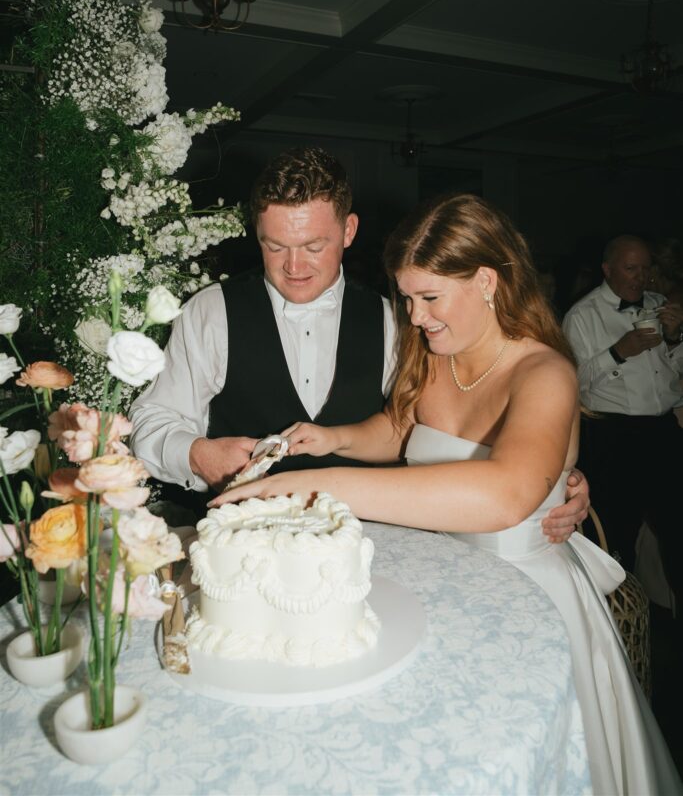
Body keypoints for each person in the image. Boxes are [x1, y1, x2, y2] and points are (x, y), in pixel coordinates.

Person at [211, 193, 682, 796]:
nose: (415, 317)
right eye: (407, 298)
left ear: (487, 281)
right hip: (445, 583)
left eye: (429, 298)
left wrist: (312, 487)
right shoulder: (437, 354)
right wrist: (330, 439)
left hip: (530, 600)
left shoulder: (544, 372)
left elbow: (506, 494)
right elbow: (405, 430)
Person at [130, 146, 586, 538]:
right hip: (246, 545)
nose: (294, 266)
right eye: (275, 247)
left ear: (348, 231)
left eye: (313, 246)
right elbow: (405, 428)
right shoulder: (211, 310)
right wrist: (197, 452)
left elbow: (502, 474)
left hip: (375, 547)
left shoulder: (398, 320)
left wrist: (553, 477)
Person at [562, 234, 683, 618]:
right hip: (612, 436)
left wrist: (677, 338)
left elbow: (673, 377)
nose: (641, 277)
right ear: (608, 269)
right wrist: (620, 352)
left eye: (647, 268)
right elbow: (572, 383)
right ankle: (621, 632)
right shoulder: (582, 315)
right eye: (632, 268)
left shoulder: (660, 306)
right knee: (615, 538)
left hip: (663, 432)